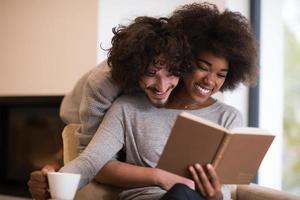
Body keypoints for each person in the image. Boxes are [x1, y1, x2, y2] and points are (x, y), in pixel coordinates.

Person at [56, 2, 258, 200]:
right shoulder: (127, 107)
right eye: (203, 67)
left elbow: (226, 191)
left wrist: (215, 196)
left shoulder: (229, 117)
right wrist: (53, 180)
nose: (210, 80)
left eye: (221, 75)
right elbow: (91, 161)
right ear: (185, 59)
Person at [28, 16, 192, 200]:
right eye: (150, 73)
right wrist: (53, 183)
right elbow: (91, 159)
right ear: (136, 69)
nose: (162, 87)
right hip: (74, 111)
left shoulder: (179, 77)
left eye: (171, 74)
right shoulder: (102, 85)